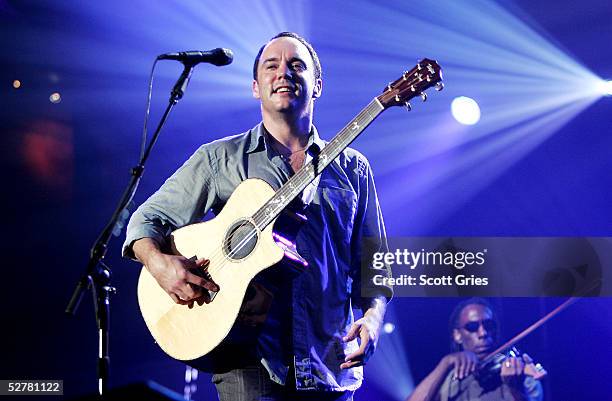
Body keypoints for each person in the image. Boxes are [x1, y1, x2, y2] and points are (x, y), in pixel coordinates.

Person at [123, 32, 392, 401]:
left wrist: (373, 318)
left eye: (297, 65)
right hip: (249, 360)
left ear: (317, 86)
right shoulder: (220, 159)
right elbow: (146, 220)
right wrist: (160, 264)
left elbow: (374, 265)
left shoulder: (353, 169)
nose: (284, 72)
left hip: (328, 360)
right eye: (272, 65)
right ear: (255, 87)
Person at [405, 298, 543, 401]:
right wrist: (446, 363)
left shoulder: (520, 373)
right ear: (457, 335)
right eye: (472, 327)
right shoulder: (450, 378)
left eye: (489, 325)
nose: (483, 333)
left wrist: (516, 389)